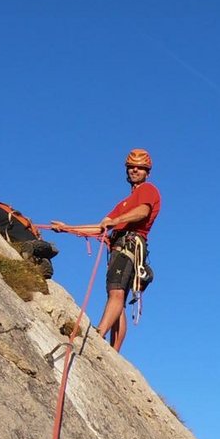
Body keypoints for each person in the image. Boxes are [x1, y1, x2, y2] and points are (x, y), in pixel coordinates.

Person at [50, 148, 162, 352]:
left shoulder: (148, 189)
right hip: (122, 247)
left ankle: (99, 333)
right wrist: (67, 228)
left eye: (140, 168)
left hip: (129, 244)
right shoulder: (123, 203)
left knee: (116, 292)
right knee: (118, 298)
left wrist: (116, 221)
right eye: (131, 167)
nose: (134, 170)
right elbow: (101, 226)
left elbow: (143, 212)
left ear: (147, 172)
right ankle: (113, 351)